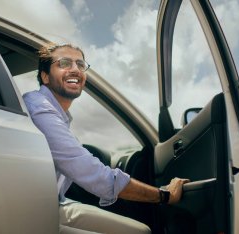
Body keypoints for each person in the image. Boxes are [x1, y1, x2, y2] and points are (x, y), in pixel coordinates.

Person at [23, 43, 189, 234]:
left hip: (55, 204)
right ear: (45, 76)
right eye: (65, 63)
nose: (75, 69)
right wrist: (164, 195)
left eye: (80, 64)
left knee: (141, 231)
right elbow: (90, 171)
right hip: (30, 212)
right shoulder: (39, 108)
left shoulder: (56, 114)